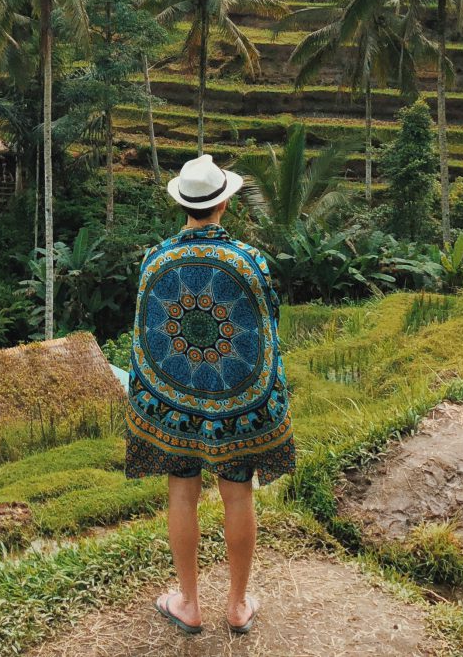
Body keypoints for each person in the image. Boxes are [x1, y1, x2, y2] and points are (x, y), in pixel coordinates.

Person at [126, 154, 294, 638]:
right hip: (236, 404)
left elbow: (149, 332)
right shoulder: (248, 260)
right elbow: (266, 326)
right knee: (237, 495)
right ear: (224, 202)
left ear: (185, 204)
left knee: (183, 492)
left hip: (174, 402)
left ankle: (188, 604)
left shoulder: (156, 259)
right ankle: (238, 606)